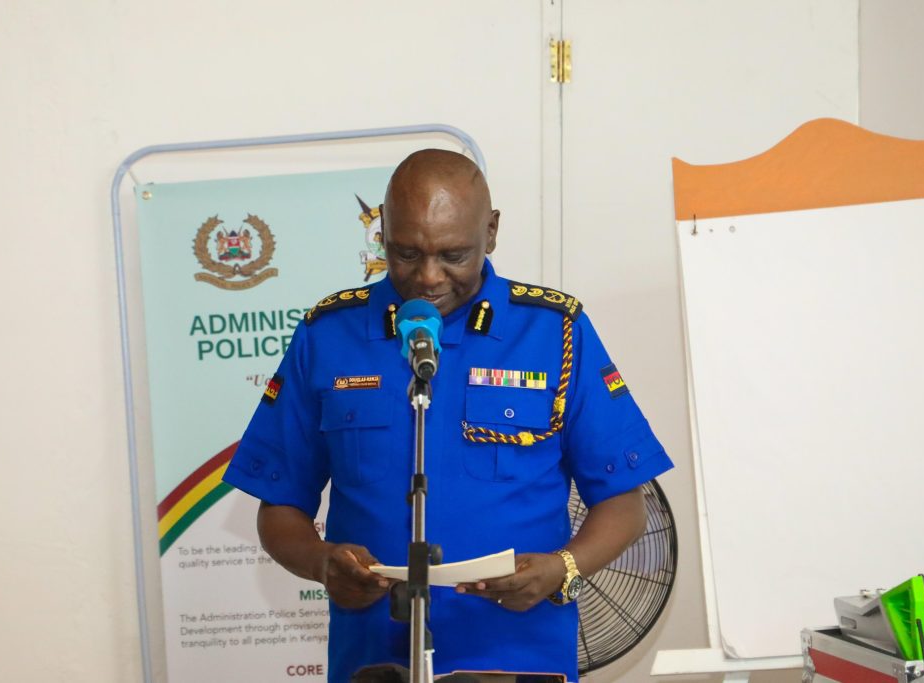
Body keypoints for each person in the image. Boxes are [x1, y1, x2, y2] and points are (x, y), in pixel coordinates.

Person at [223, 149, 673, 681]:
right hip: (375, 659)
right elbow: (279, 507)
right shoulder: (329, 335)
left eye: (454, 255)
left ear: (492, 230)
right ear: (383, 232)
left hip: (519, 658)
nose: (428, 278)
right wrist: (323, 564)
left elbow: (624, 502)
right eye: (406, 254)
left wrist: (563, 568)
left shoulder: (554, 333)